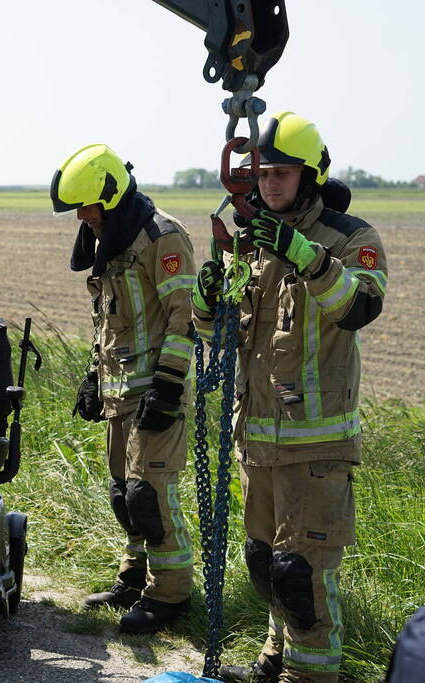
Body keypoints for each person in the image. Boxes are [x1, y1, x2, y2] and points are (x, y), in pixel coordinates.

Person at [195, 112, 388, 683]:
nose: (270, 183)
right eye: (263, 173)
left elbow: (359, 307)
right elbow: (219, 336)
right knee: (267, 568)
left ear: (311, 176)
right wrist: (209, 299)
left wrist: (303, 254)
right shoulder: (251, 243)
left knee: (302, 577)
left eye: (282, 172)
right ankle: (273, 663)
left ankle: (310, 678)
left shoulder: (350, 237)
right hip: (256, 445)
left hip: (316, 449)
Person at [52, 144, 197, 634]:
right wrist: (94, 377)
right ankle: (133, 578)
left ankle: (170, 595)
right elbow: (108, 322)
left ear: (110, 197)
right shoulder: (109, 241)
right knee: (123, 495)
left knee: (148, 496)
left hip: (156, 393)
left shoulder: (163, 237)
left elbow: (185, 316)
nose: (81, 216)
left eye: (86, 206)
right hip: (120, 394)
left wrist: (170, 385)